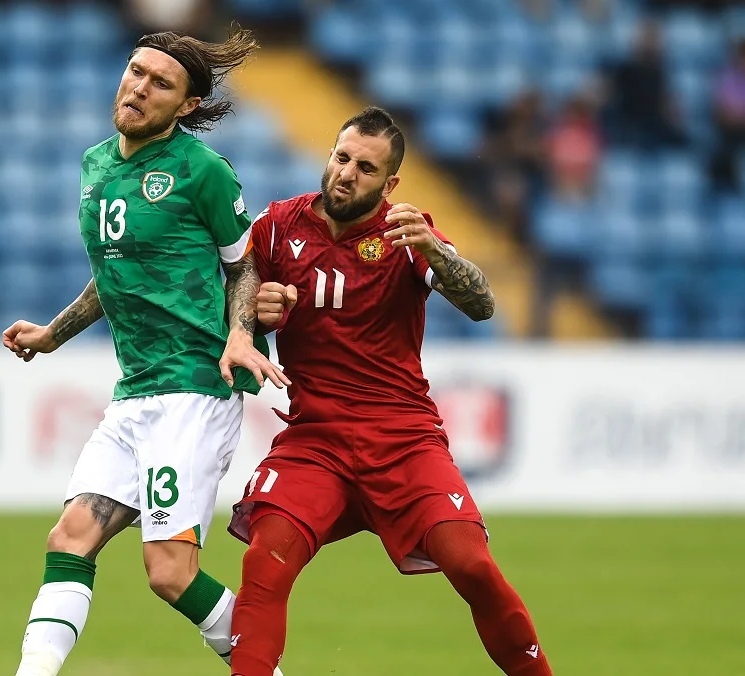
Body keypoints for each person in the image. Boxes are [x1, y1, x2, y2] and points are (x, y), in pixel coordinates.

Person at [2, 28, 288, 676]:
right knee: (70, 538)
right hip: (134, 391)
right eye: (136, 71)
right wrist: (53, 334)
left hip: (194, 388)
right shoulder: (97, 165)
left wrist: (240, 332)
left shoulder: (202, 171)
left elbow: (244, 266)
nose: (139, 88)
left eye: (161, 83)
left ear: (187, 105)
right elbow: (114, 272)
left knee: (170, 573)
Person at [226, 107, 552, 676]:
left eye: (366, 169)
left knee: (472, 565)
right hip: (315, 440)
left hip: (402, 439)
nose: (347, 174)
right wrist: (253, 311)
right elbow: (242, 274)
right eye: (342, 158)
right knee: (265, 563)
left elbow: (482, 304)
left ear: (390, 184)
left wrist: (437, 252)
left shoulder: (405, 233)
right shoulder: (279, 224)